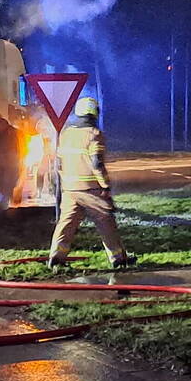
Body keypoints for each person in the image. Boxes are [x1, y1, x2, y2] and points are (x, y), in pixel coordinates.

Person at [48, 97, 135, 269]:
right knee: (106, 222)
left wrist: (64, 184)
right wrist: (105, 186)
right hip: (92, 190)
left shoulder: (66, 134)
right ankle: (118, 258)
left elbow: (58, 164)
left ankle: (56, 257)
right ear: (95, 113)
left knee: (66, 223)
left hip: (70, 189)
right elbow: (97, 163)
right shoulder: (94, 135)